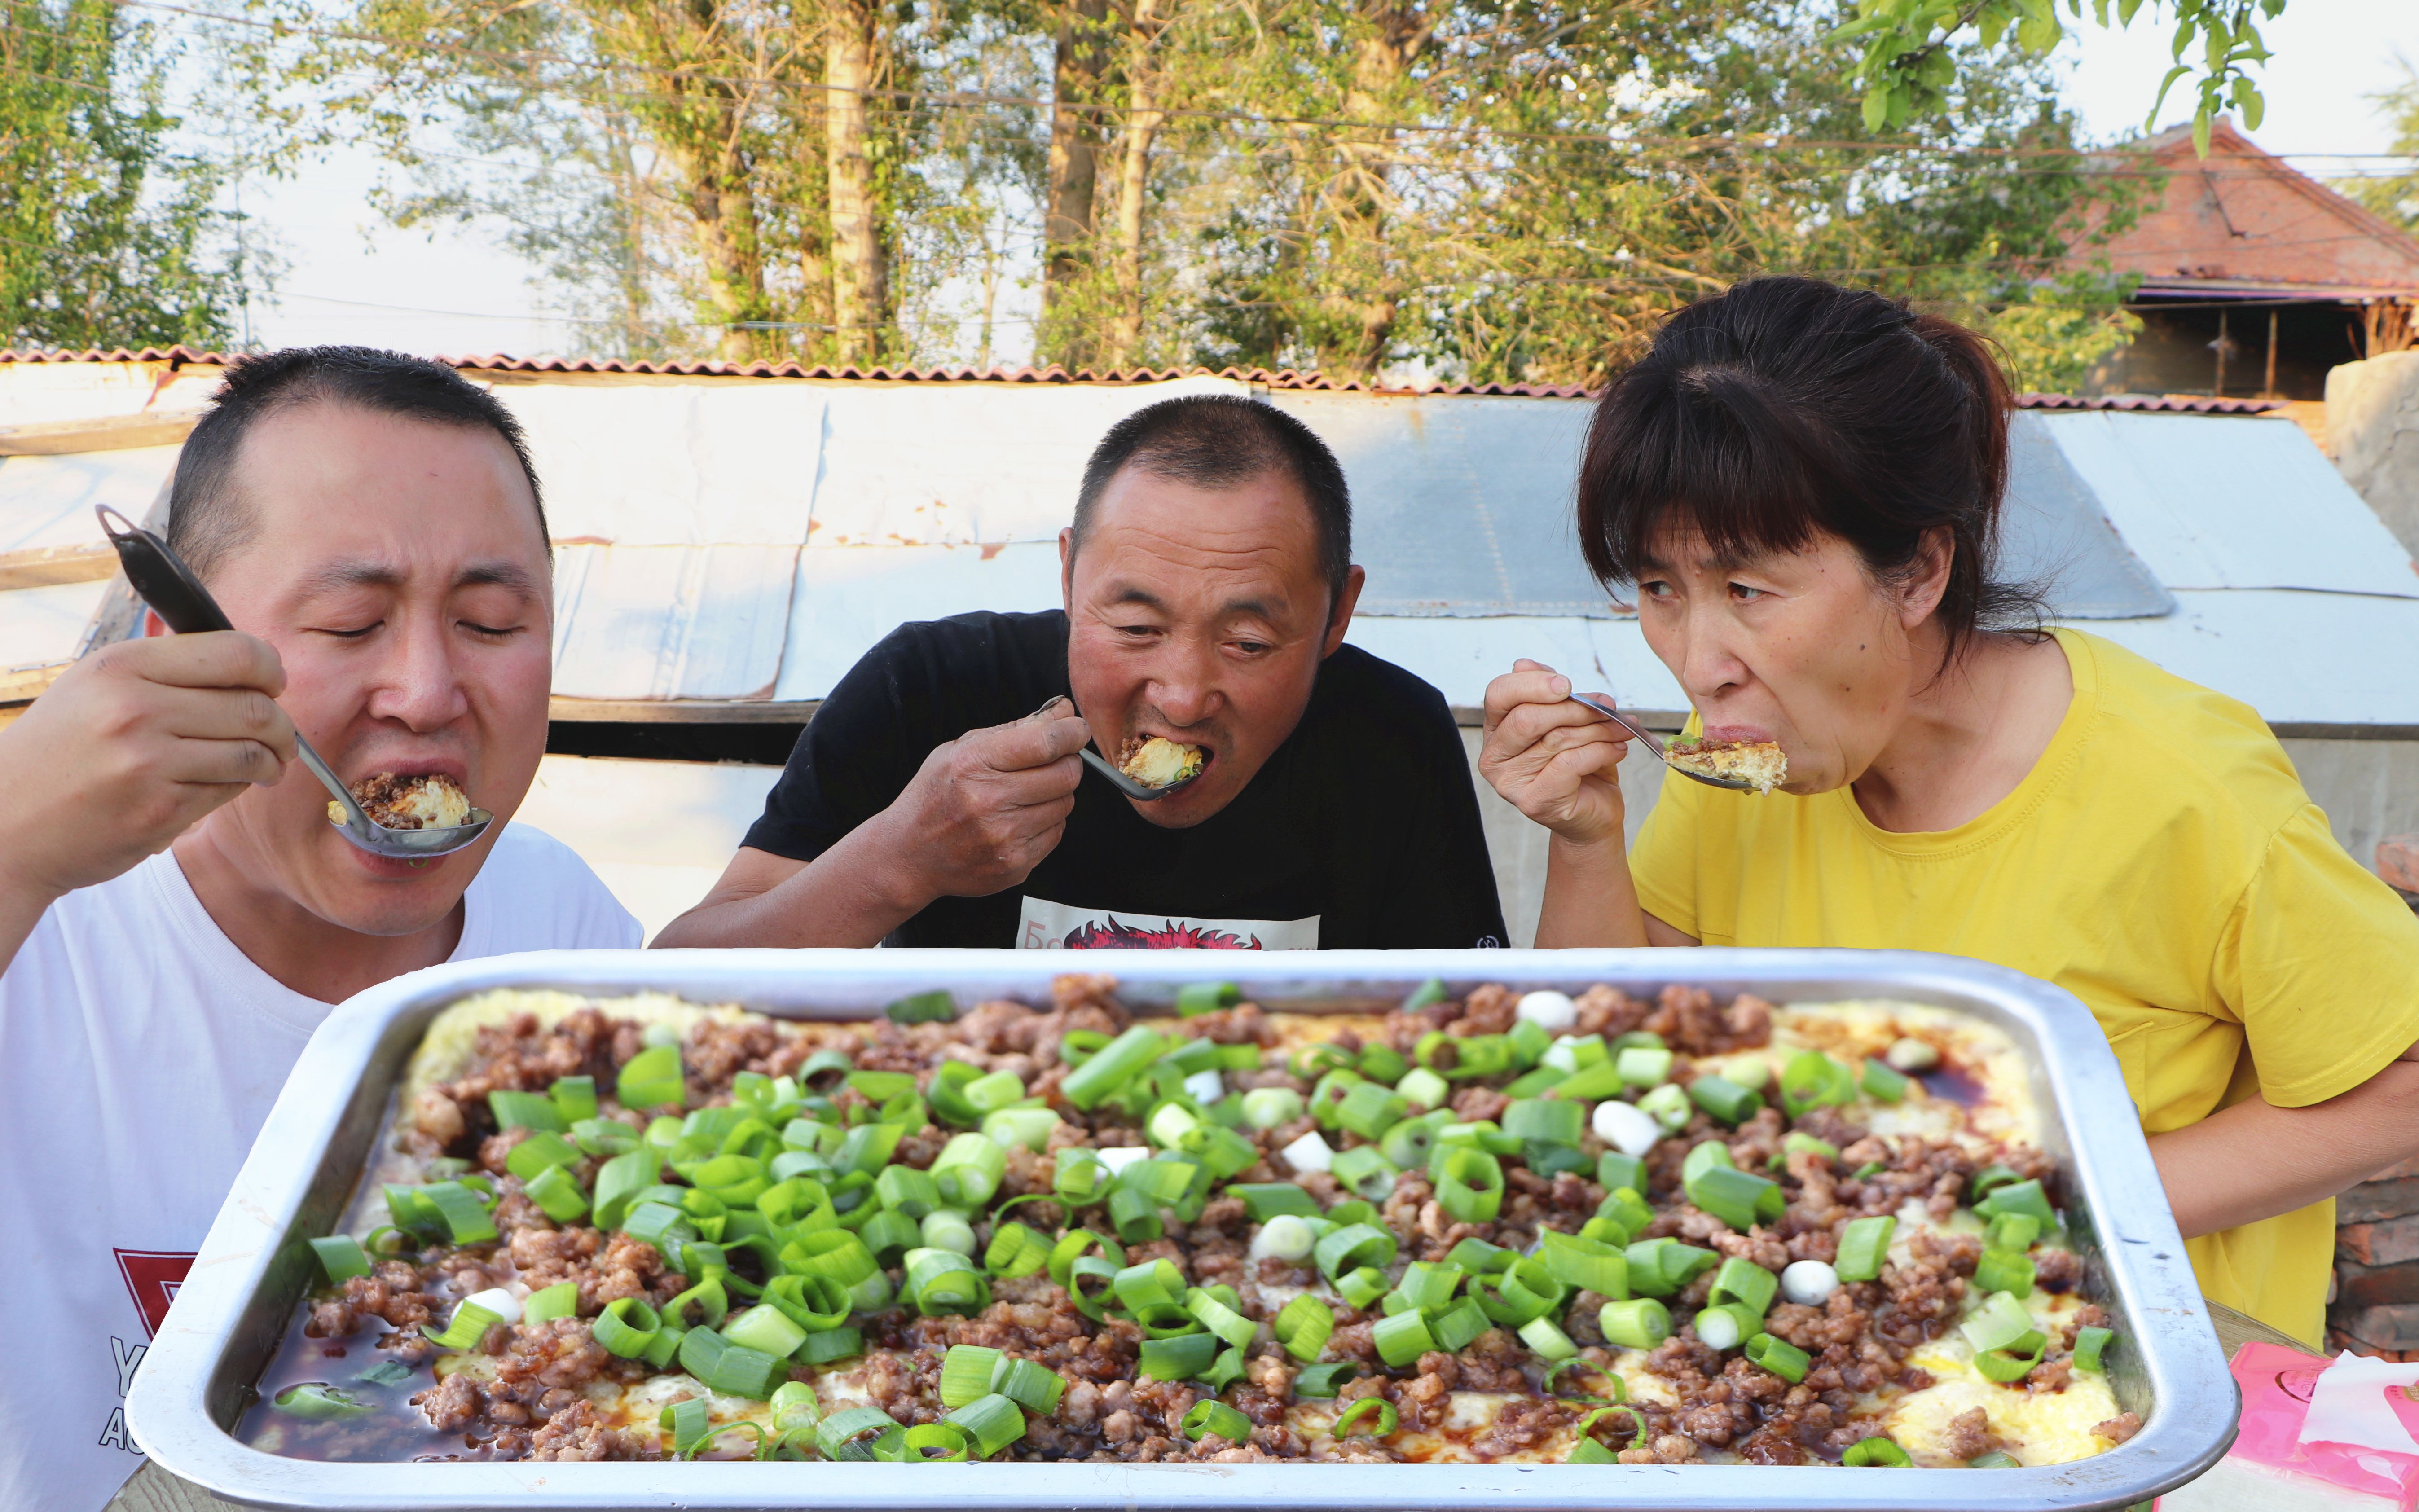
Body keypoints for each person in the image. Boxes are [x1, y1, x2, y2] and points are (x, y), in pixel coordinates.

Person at [1478, 276, 2419, 1347]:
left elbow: (2401, 1084)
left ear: (1921, 570)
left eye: (1747, 591)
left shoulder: (2182, 785)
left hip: (2126, 1395)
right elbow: (1603, 1066)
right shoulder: (1748, 774)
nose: (1700, 665)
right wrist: (1587, 839)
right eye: (1658, 589)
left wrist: (2038, 1204)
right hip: (1815, 1366)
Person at [0, 347, 640, 1512]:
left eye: (492, 624)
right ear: (177, 643)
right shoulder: (42, 919)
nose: (428, 691)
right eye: (351, 624)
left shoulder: (561, 922)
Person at [656, 394, 1505, 951]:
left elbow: (1473, 1040)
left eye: (1246, 642)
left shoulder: (1391, 738)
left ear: (1337, 616)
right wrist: (899, 861)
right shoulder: (933, 690)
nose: (1181, 694)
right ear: (1068, 578)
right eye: (1136, 626)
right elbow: (674, 978)